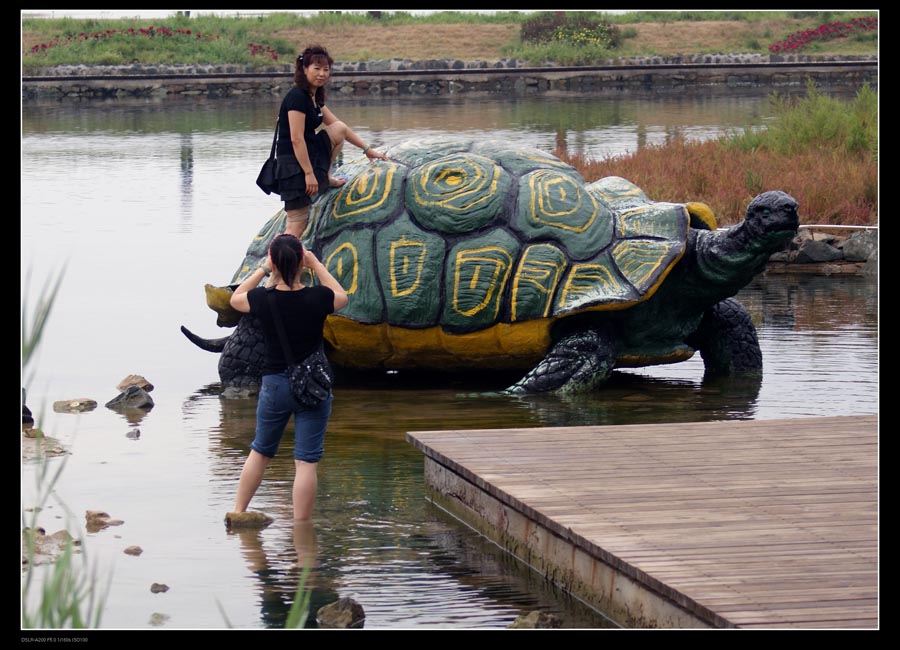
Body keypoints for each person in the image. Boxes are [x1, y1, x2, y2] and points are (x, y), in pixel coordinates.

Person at [226, 233, 348, 523]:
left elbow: (235, 299)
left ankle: (238, 512)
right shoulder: (317, 298)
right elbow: (342, 296)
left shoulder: (263, 300)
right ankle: (301, 527)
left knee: (260, 452)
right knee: (306, 462)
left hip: (275, 385)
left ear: (274, 263)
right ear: (301, 263)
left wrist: (263, 269)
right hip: (312, 386)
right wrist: (317, 264)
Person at [275, 44, 389, 238]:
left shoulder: (313, 97)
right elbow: (295, 139)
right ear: (304, 69)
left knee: (337, 130)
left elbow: (339, 127)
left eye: (326, 69)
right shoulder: (297, 97)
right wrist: (309, 174)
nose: (322, 74)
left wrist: (367, 149)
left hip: (305, 158)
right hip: (293, 167)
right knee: (295, 226)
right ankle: (270, 267)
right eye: (316, 68)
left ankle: (325, 177)